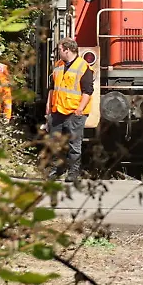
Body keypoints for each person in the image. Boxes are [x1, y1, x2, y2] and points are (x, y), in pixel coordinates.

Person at [45, 38, 93, 182]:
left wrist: (80, 109)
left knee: (74, 144)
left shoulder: (83, 67)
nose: (58, 52)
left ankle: (73, 172)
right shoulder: (58, 65)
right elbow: (52, 88)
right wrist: (48, 106)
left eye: (59, 49)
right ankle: (56, 170)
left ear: (67, 50)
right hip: (57, 110)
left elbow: (88, 91)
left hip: (74, 112)